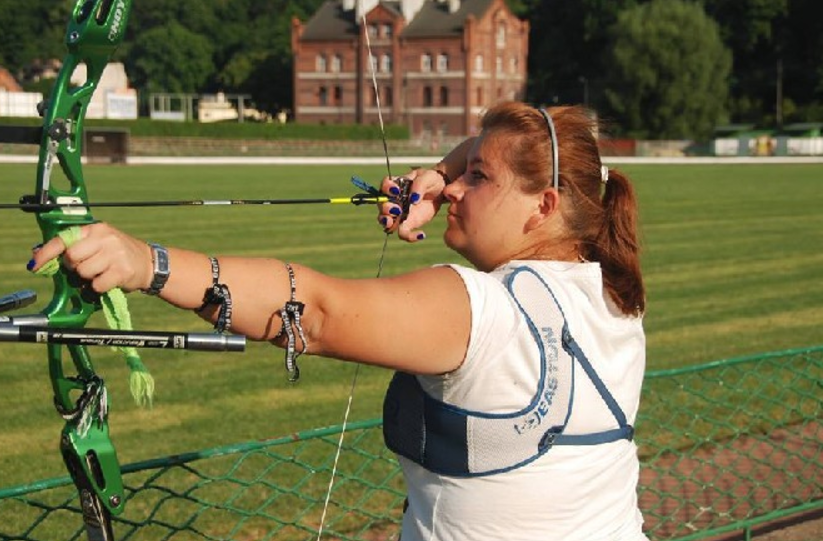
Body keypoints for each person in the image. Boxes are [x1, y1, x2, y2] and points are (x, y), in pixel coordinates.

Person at [31, 101, 648, 541]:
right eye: (462, 172)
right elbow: (537, 142)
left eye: (477, 177)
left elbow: (316, 313)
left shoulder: (482, 309)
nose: (456, 188)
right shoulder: (615, 298)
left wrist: (147, 264)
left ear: (543, 206)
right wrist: (438, 175)